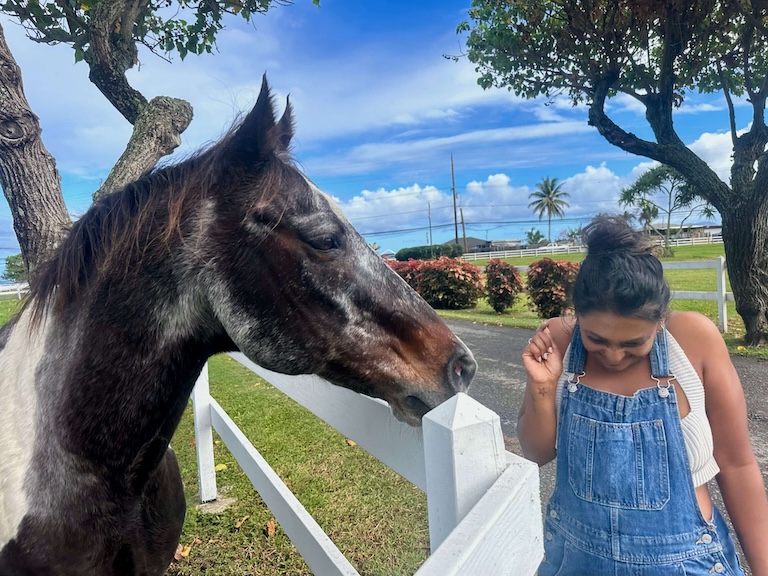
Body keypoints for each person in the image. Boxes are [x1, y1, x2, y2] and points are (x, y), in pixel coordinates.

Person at [520, 215, 768, 575]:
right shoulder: (559, 339)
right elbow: (536, 452)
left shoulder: (694, 339)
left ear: (661, 319)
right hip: (576, 562)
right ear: (577, 316)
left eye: (634, 343)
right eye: (597, 340)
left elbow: (737, 464)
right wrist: (542, 386)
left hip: (687, 563)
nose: (614, 355)